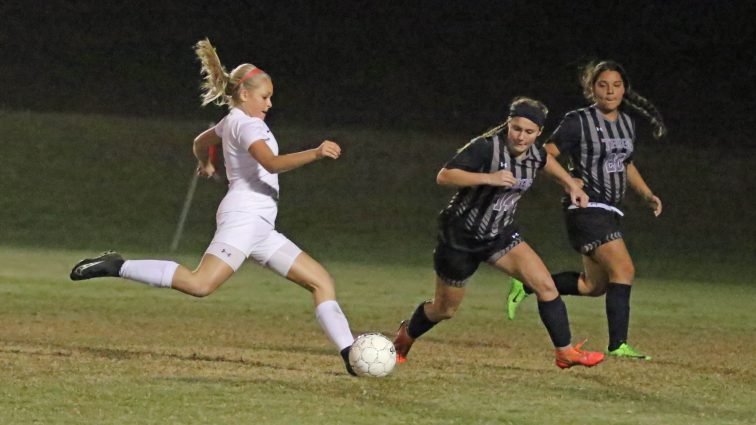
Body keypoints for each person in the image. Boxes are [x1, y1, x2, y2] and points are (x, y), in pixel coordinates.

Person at [69, 38, 358, 375]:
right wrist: (316, 152)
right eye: (265, 97)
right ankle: (116, 265)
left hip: (260, 225)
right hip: (245, 216)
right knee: (200, 284)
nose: (269, 103)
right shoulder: (246, 124)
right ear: (246, 94)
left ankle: (351, 355)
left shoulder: (233, 120)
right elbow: (273, 163)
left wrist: (207, 163)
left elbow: (200, 142)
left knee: (321, 281)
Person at [393, 97, 605, 369]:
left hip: (500, 235)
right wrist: (488, 178)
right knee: (445, 309)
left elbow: (545, 161)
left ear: (539, 133)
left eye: (529, 132)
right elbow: (444, 176)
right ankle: (406, 334)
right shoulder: (486, 148)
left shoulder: (535, 153)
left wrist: (571, 185)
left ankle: (564, 352)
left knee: (546, 286)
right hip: (460, 238)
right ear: (508, 124)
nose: (521, 136)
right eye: (516, 128)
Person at [506, 60, 666, 361]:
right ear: (592, 88)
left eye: (616, 85)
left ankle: (528, 284)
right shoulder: (578, 121)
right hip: (587, 208)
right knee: (625, 270)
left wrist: (646, 194)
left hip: (610, 210)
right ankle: (618, 345)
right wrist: (569, 181)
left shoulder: (627, 123)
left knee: (593, 286)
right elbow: (544, 153)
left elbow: (625, 162)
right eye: (603, 85)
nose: (610, 91)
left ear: (624, 89)